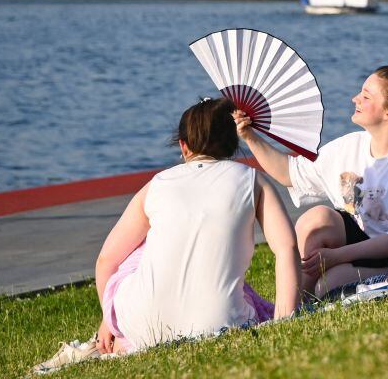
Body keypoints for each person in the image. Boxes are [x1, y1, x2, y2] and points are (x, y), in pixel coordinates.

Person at [34, 98, 301, 368]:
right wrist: (285, 319)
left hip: (142, 325)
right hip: (222, 320)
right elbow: (286, 248)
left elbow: (107, 261)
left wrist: (110, 320)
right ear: (234, 143)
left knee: (137, 250)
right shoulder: (252, 179)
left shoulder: (158, 184)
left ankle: (117, 339)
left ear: (183, 146)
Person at [235, 66, 388, 298]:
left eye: (366, 96)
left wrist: (337, 257)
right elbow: (289, 174)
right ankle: (289, 309)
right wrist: (250, 136)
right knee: (315, 220)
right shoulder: (350, 146)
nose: (355, 98)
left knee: (329, 284)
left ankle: (308, 300)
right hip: (367, 244)